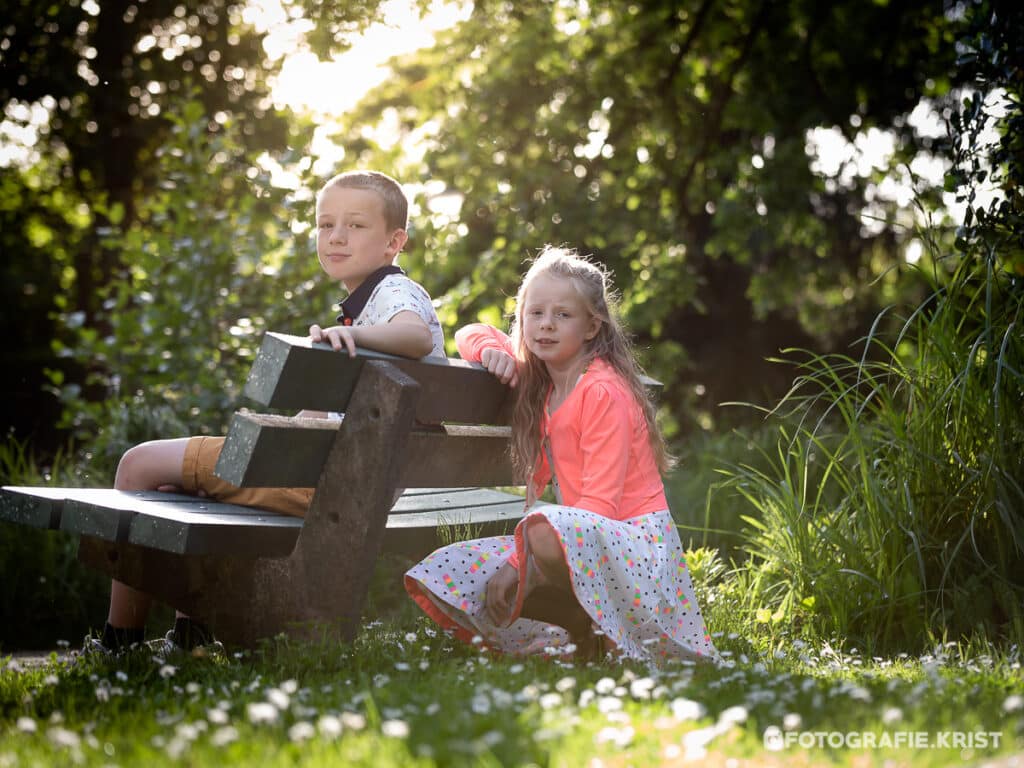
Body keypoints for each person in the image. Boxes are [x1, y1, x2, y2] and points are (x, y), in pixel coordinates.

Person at [89, 170, 445, 655]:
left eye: (356, 226)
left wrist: (354, 337)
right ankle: (190, 635)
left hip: (328, 487)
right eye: (325, 225)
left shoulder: (394, 299)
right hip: (352, 486)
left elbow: (416, 335)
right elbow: (321, 417)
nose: (336, 236)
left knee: (138, 465)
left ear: (394, 242)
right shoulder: (365, 309)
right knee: (178, 489)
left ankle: (117, 645)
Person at [404, 246, 717, 664]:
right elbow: (469, 333)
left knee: (539, 530)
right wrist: (490, 352)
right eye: (535, 313)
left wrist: (517, 568)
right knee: (448, 571)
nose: (546, 325)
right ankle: (575, 629)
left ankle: (583, 626)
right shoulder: (544, 380)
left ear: (591, 327)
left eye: (563, 315)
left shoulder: (602, 389)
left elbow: (600, 506)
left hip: (634, 549)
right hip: (584, 542)